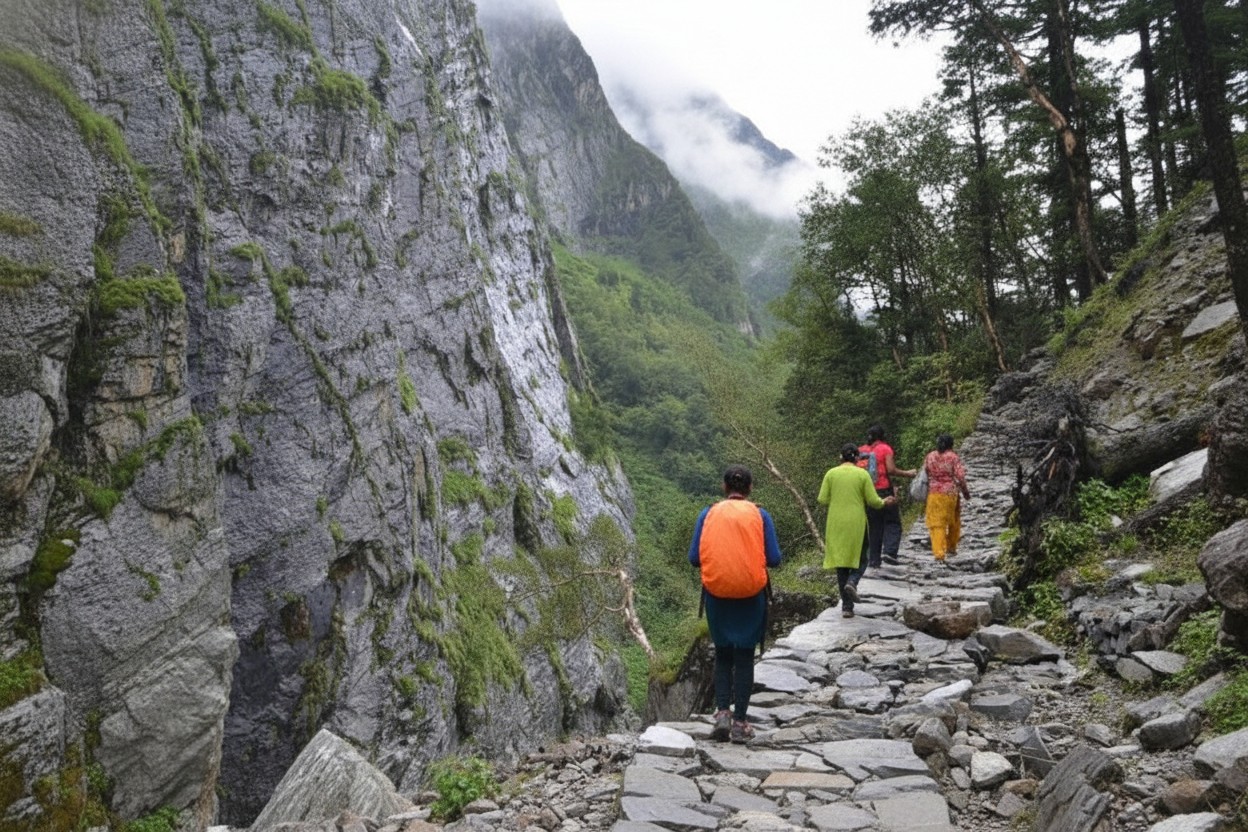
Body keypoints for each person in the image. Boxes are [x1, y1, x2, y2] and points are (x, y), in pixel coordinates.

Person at [688, 465, 782, 743]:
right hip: (751, 598)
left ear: (724, 487)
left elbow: (695, 557)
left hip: (717, 596)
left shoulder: (708, 513)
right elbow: (774, 558)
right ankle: (741, 722)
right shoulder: (760, 514)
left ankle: (722, 714)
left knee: (723, 655)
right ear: (750, 488)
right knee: (744, 657)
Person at [818, 444, 895, 619]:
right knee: (863, 557)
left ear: (840, 457)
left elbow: (822, 499)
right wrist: (885, 502)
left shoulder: (831, 474)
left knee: (841, 564)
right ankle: (853, 581)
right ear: (857, 459)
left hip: (835, 523)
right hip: (856, 523)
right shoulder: (862, 474)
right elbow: (873, 501)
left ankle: (847, 607)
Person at [859, 425, 917, 567]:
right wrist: (908, 473)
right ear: (882, 436)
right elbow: (891, 470)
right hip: (884, 489)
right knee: (892, 522)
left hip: (867, 492)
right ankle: (889, 552)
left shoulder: (860, 451)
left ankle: (874, 560)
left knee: (874, 525)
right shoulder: (885, 448)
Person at [923, 433, 971, 564]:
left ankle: (939, 552)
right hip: (950, 493)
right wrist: (965, 492)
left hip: (933, 492)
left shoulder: (930, 456)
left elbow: (926, 472)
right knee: (954, 519)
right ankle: (951, 546)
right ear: (951, 444)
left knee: (936, 523)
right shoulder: (953, 457)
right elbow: (960, 476)